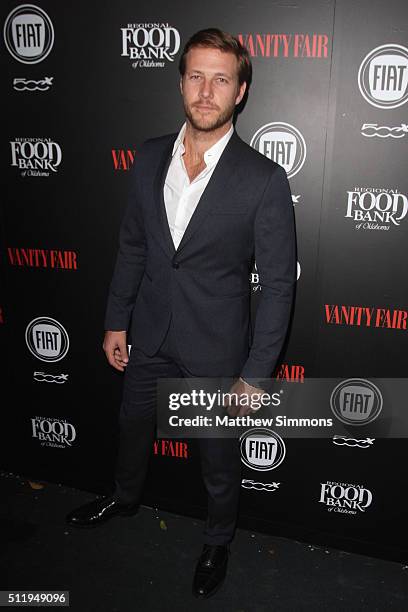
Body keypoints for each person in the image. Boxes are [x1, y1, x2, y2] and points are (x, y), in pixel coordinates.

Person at [66, 28, 296, 599]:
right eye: (196, 75)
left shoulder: (264, 178)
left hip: (216, 347)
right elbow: (134, 248)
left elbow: (277, 289)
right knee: (131, 425)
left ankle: (217, 541)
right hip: (148, 332)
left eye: (221, 79)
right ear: (181, 83)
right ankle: (123, 498)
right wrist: (116, 320)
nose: (206, 90)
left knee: (217, 460)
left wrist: (255, 373)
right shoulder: (148, 157)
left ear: (240, 91)